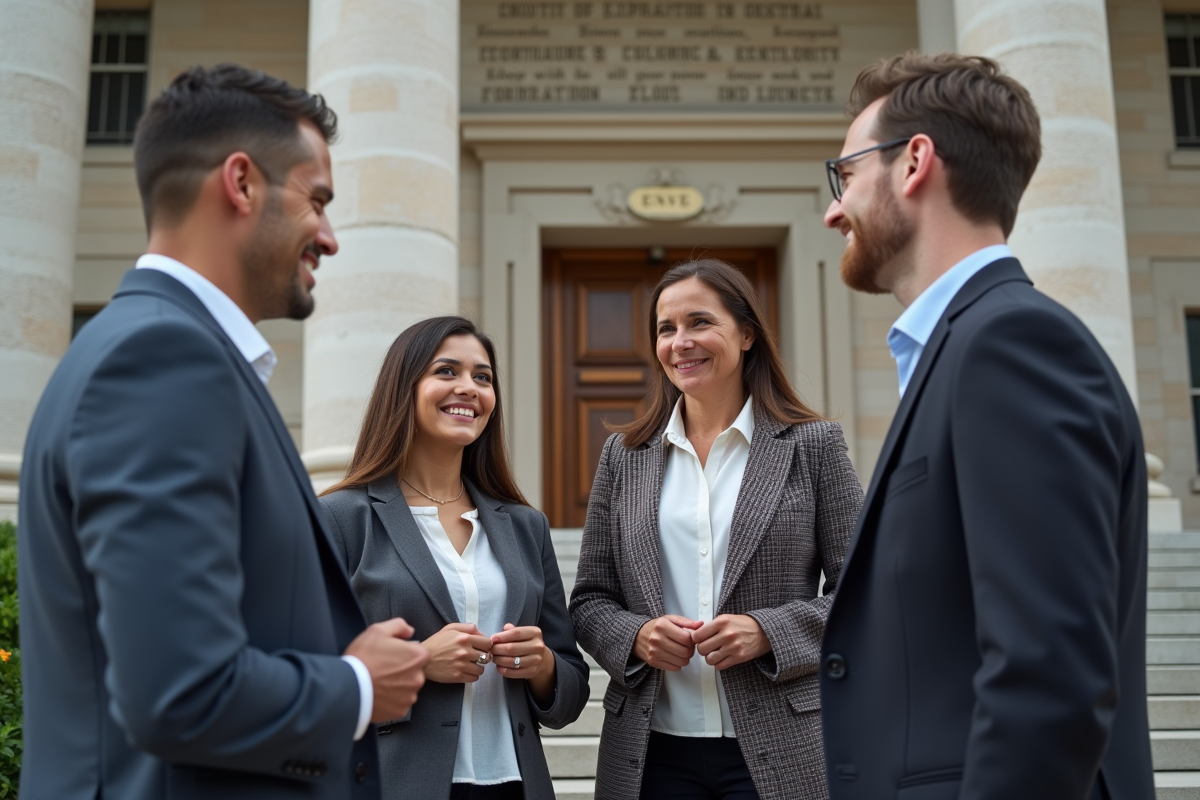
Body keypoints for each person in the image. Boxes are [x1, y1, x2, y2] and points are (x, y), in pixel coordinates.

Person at [17, 65, 430, 800]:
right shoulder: (164, 360)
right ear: (241, 183)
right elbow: (181, 690)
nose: (331, 239)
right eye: (319, 201)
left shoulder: (160, 348)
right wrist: (359, 685)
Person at [818, 53, 1154, 800]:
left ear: (914, 162)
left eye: (844, 176)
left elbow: (1049, 673)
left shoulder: (1010, 345)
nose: (833, 211)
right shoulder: (968, 346)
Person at [570, 258, 863, 800]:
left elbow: (866, 596)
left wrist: (769, 631)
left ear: (746, 333)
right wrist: (634, 636)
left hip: (783, 742)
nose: (681, 342)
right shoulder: (624, 455)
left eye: (700, 322)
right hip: (651, 748)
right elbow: (590, 599)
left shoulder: (813, 446)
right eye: (666, 328)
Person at [319, 315, 589, 800]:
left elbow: (570, 691)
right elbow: (307, 671)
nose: (468, 387)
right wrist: (420, 661)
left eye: (482, 377)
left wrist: (542, 664)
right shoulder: (342, 518)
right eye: (447, 371)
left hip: (516, 784)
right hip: (395, 782)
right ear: (405, 388)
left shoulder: (526, 526)